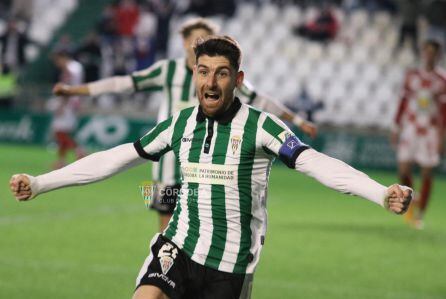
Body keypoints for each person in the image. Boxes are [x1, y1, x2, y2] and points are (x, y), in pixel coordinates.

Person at [11, 35, 412, 299]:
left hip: (230, 265)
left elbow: (316, 164)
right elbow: (115, 158)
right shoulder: (180, 122)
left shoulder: (261, 126)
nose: (211, 82)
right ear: (195, 76)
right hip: (179, 247)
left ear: (237, 79)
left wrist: (379, 192)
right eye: (203, 72)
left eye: (221, 73)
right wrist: (41, 182)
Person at [52, 18, 318, 232]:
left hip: (209, 170)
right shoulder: (167, 70)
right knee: (164, 237)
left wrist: (297, 120)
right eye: (192, 40)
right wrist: (75, 91)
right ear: (183, 42)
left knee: (206, 235)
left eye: (201, 40)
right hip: (165, 170)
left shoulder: (224, 76)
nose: (195, 45)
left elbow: (261, 99)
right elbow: (121, 83)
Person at [391, 39, 446, 229]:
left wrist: (442, 137)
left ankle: (419, 215)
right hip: (411, 127)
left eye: (433, 52)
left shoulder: (441, 80)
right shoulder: (411, 75)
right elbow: (402, 103)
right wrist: (396, 128)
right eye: (427, 51)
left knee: (427, 171)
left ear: (438, 55)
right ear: (423, 53)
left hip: (430, 130)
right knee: (403, 169)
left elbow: (444, 112)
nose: (429, 55)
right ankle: (412, 201)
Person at [49, 50, 86, 169]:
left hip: (68, 103)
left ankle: (79, 151)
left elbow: (66, 88)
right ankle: (62, 161)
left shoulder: (69, 69)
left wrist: (61, 105)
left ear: (62, 58)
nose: (57, 64)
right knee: (64, 132)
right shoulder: (77, 67)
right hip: (75, 101)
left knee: (58, 132)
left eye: (57, 61)